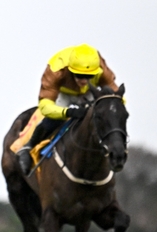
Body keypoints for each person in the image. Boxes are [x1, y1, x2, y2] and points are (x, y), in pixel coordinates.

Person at [15, 44, 120, 175]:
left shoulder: (101, 68)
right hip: (63, 93)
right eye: (78, 75)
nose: (83, 80)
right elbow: (45, 106)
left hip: (89, 92)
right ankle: (28, 146)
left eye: (88, 76)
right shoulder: (56, 69)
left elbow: (116, 98)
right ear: (70, 70)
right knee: (53, 119)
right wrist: (67, 112)